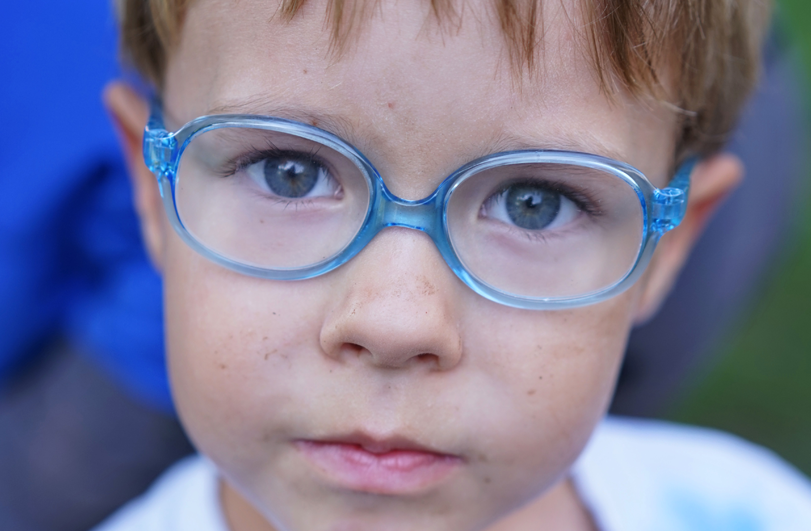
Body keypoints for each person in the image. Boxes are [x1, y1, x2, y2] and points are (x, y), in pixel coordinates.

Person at [93, 0, 811, 529]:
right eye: (289, 172)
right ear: (152, 192)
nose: (395, 320)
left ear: (666, 245)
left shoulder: (748, 512)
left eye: (536, 202)